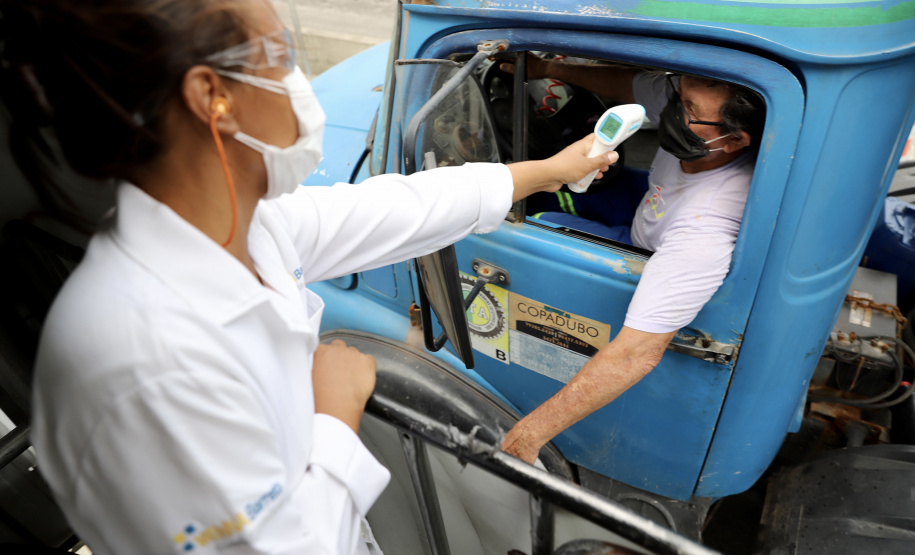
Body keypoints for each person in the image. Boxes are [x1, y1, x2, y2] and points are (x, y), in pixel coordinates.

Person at [1, 2, 613, 554]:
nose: (299, 81)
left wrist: (549, 171)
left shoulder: (249, 225)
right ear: (212, 97)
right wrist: (335, 415)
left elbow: (397, 208)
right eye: (280, 55)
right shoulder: (140, 363)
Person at [499, 54, 766, 463]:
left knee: (544, 222)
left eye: (687, 107)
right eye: (677, 95)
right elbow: (633, 85)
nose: (670, 109)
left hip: (651, 244)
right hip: (647, 206)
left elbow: (636, 354)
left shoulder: (705, 232)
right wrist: (548, 70)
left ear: (734, 141)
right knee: (559, 188)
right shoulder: (698, 120)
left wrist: (527, 436)